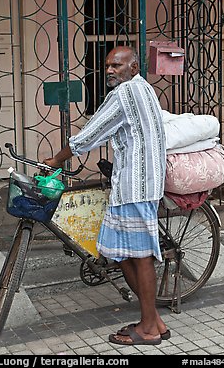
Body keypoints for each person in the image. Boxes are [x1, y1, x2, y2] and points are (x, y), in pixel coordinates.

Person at [44, 45, 170, 346]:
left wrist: (56, 160)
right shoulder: (144, 88)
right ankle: (155, 321)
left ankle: (150, 329)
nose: (110, 71)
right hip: (140, 183)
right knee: (120, 252)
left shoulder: (124, 94)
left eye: (117, 66)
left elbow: (89, 135)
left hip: (134, 188)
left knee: (139, 258)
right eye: (108, 66)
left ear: (134, 69)